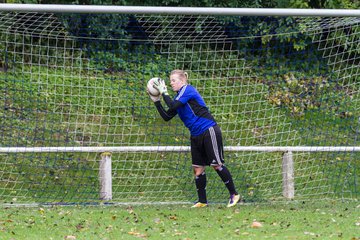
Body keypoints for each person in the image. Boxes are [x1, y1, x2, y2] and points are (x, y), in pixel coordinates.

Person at [148, 70, 240, 208]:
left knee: (216, 165)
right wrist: (156, 101)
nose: (171, 83)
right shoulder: (179, 97)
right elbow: (167, 116)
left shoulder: (188, 90)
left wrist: (164, 92)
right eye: (170, 81)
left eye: (173, 80)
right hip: (195, 134)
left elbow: (173, 105)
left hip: (208, 130)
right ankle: (202, 201)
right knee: (198, 169)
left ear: (182, 81)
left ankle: (234, 194)